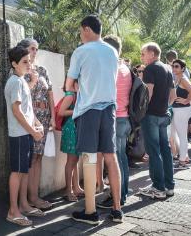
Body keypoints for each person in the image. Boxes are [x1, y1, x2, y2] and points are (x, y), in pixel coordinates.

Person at [67, 15, 122, 224]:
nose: (81, 35)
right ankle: (117, 210)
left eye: (81, 31)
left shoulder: (81, 51)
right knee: (111, 156)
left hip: (88, 109)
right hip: (109, 109)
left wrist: (77, 85)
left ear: (87, 29)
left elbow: (68, 83)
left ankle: (90, 212)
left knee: (89, 157)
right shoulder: (112, 52)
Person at [4, 46, 44, 226]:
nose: (29, 64)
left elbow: (26, 110)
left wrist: (37, 123)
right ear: (14, 64)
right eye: (24, 62)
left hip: (24, 133)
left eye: (29, 60)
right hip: (20, 134)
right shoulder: (15, 82)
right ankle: (13, 211)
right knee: (17, 172)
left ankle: (23, 205)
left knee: (23, 171)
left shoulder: (20, 81)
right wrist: (33, 130)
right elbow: (16, 110)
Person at [16, 38, 55, 211]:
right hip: (29, 117)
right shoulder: (20, 71)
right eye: (32, 48)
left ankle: (34, 196)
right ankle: (27, 199)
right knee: (29, 157)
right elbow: (21, 98)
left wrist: (53, 117)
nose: (35, 52)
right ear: (24, 50)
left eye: (36, 49)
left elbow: (50, 94)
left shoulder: (42, 70)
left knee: (38, 157)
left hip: (44, 117)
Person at [97, 35, 132, 209]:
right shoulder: (124, 68)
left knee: (115, 160)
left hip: (115, 117)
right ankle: (123, 193)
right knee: (122, 158)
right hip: (124, 117)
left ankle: (118, 197)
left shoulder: (113, 69)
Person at [138, 42, 176, 200]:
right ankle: (168, 186)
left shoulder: (150, 69)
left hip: (151, 115)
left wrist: (141, 111)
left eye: (143, 53)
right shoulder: (168, 68)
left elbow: (149, 93)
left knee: (154, 151)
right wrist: (165, 108)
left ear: (152, 54)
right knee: (165, 150)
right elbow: (173, 95)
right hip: (163, 115)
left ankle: (158, 187)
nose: (141, 56)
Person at [58, 79, 84, 202]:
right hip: (71, 129)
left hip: (75, 128)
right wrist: (77, 111)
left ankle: (76, 187)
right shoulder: (70, 96)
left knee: (75, 159)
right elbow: (61, 112)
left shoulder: (76, 94)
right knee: (71, 160)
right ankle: (69, 191)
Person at [170, 59, 191, 169]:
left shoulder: (183, 79)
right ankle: (185, 158)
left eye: (176, 66)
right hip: (177, 110)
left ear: (182, 68)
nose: (174, 68)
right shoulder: (177, 79)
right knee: (175, 135)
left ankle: (182, 162)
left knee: (182, 136)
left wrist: (186, 100)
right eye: (173, 66)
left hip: (182, 110)